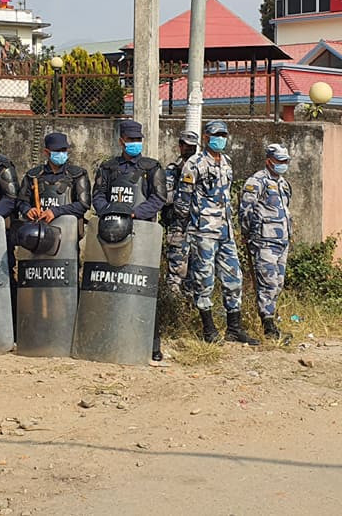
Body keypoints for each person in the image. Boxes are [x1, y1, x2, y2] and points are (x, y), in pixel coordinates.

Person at [93, 119, 170, 360]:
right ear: (121, 142)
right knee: (112, 284)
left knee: (144, 287)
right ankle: (110, 338)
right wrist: (109, 212)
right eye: (131, 140)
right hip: (112, 234)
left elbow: (159, 199)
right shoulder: (108, 167)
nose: (135, 144)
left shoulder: (152, 167)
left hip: (142, 234)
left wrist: (134, 214)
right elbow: (97, 195)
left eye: (138, 140)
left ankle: (152, 344)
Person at [177, 120, 258, 345]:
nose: (220, 138)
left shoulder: (227, 162)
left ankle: (234, 328)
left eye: (223, 134)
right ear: (205, 137)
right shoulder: (194, 164)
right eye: (216, 134)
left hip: (225, 231)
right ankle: (209, 329)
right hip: (203, 232)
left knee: (234, 279)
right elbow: (182, 201)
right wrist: (190, 228)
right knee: (204, 280)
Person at [240, 144, 294, 342]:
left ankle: (271, 319)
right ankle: (268, 327)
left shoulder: (283, 184)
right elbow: (246, 210)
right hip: (264, 241)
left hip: (282, 241)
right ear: (269, 161)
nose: (283, 165)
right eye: (280, 161)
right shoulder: (257, 181)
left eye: (285, 161)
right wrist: (248, 234)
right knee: (267, 283)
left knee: (278, 283)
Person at [17, 132, 90, 223]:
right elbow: (21, 201)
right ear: (46, 152)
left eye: (63, 150)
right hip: (38, 225)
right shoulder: (33, 175)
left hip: (67, 226)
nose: (61, 153)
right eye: (57, 150)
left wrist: (55, 212)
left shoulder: (77, 174)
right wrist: (28, 210)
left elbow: (83, 205)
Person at [161, 130, 199, 296]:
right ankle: (173, 308)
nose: (189, 150)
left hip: (199, 227)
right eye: (186, 146)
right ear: (180, 146)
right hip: (178, 227)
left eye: (193, 147)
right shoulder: (172, 170)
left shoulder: (202, 169)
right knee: (176, 270)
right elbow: (166, 197)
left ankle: (190, 308)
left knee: (197, 270)